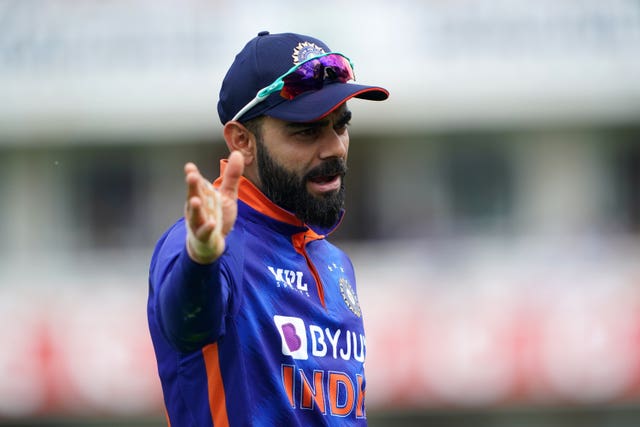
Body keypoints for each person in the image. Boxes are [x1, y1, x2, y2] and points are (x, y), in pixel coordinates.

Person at [147, 31, 389, 426]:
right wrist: (201, 259)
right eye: (307, 131)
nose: (334, 148)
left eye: (340, 126)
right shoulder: (207, 245)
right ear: (242, 141)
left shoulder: (334, 261)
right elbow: (187, 323)